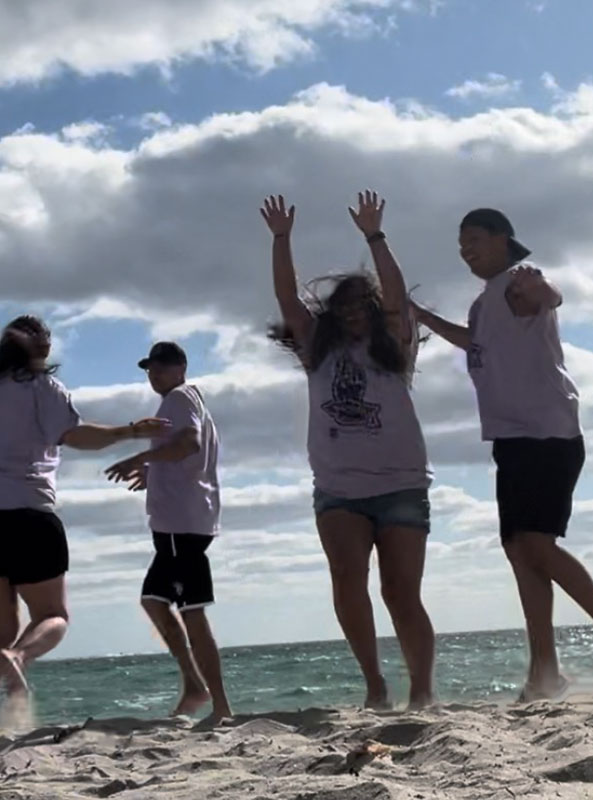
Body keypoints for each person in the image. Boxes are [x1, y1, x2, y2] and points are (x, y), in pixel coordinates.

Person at [412, 208, 593, 701]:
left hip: (548, 433)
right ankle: (545, 673)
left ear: (502, 239)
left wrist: (540, 289)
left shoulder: (520, 280)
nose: (465, 250)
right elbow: (474, 343)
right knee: (520, 551)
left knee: (537, 546)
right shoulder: (484, 302)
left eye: (474, 239)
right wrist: (423, 317)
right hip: (513, 438)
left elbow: (548, 296)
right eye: (460, 244)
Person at [0, 315, 169, 731]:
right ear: (40, 348)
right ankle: (20, 658)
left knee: (0, 628)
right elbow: (74, 435)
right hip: (27, 514)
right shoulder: (44, 387)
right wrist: (131, 431)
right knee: (54, 614)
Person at [260, 192, 436, 709]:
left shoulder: (395, 345)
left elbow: (398, 296)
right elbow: (288, 298)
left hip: (401, 484)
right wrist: (281, 239)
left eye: (366, 306)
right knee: (348, 585)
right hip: (338, 490)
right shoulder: (319, 349)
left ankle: (422, 690)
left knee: (401, 593)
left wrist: (375, 236)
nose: (358, 314)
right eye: (348, 307)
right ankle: (376, 686)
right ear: (336, 314)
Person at [104, 342, 232, 721]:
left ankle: (220, 705)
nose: (153, 374)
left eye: (160, 366)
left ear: (181, 367)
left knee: (193, 611)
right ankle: (195, 685)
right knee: (154, 600)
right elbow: (183, 454)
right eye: (149, 368)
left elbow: (188, 445)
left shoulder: (178, 398)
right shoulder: (190, 401)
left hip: (181, 525)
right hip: (181, 523)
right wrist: (153, 471)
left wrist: (140, 456)